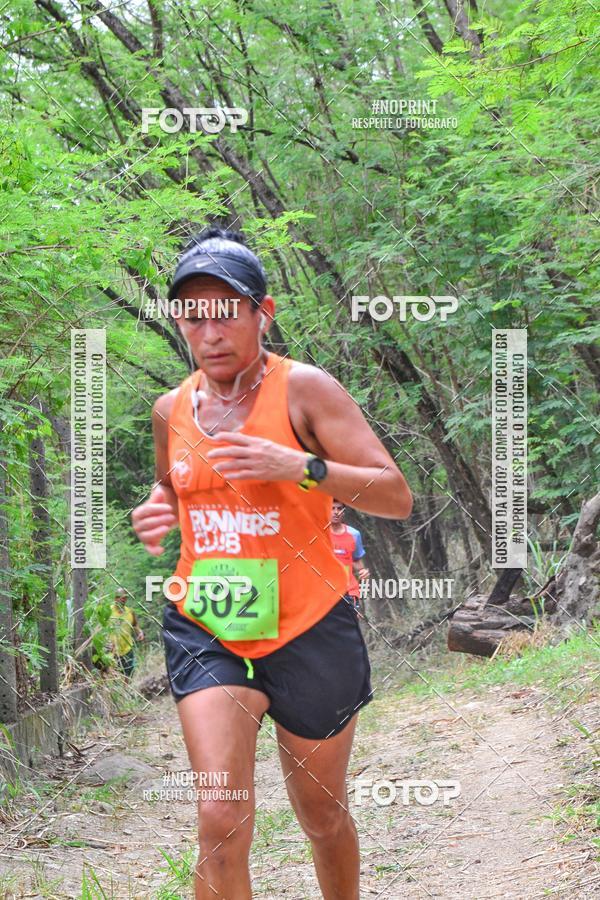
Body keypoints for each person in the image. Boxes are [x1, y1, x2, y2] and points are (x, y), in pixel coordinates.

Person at [131, 226, 412, 900]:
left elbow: (396, 497)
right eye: (193, 315)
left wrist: (302, 466)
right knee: (220, 817)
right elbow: (171, 484)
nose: (211, 330)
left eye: (227, 310)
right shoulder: (171, 409)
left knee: (320, 814)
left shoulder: (306, 391)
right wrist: (154, 508)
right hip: (209, 628)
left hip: (310, 626)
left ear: (264, 313)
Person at [330, 500, 370, 612]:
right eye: (332, 508)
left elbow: (356, 560)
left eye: (339, 508)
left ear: (344, 511)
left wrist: (363, 571)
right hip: (326, 593)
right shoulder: (319, 534)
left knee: (351, 626)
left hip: (349, 591)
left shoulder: (354, 534)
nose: (336, 512)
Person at [109, 587, 144, 678]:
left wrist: (140, 632)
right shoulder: (108, 611)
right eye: (118, 597)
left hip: (127, 649)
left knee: (128, 674)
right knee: (113, 676)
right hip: (112, 650)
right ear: (115, 598)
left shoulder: (130, 612)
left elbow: (135, 625)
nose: (121, 600)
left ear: (126, 599)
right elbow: (100, 627)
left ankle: (127, 690)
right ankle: (116, 691)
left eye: (124, 598)